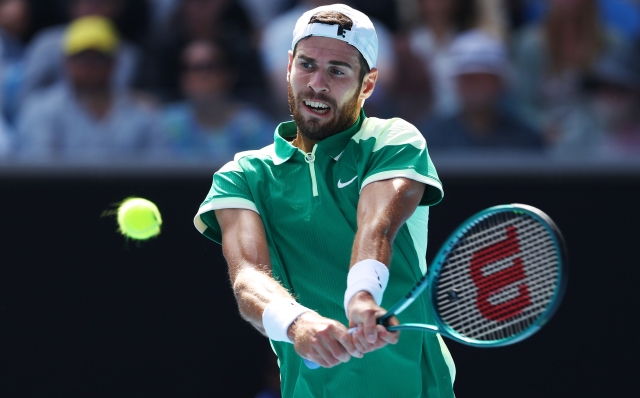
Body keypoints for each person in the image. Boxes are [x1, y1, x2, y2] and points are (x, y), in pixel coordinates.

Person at [193, 4, 455, 397]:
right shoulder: (244, 176)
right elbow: (248, 278)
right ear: (288, 66)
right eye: (307, 64)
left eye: (337, 71)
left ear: (367, 85)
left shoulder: (394, 141)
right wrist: (297, 323)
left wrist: (362, 297)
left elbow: (377, 225)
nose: (317, 83)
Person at [17, 16, 166, 161]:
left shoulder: (143, 112)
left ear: (114, 63)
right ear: (66, 62)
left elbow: (161, 169)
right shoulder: (41, 109)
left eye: (99, 57)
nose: (89, 65)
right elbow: (40, 171)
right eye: (81, 56)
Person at [420, 30, 543, 151]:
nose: (475, 88)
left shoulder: (526, 140)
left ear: (500, 83)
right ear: (457, 84)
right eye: (469, 79)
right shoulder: (431, 139)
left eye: (483, 79)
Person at [161, 40, 273, 163]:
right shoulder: (167, 124)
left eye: (210, 67)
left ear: (228, 74)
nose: (201, 76)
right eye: (191, 68)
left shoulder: (253, 126)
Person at [19, 0, 143, 103]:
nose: (93, 7)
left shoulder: (127, 53)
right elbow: (27, 97)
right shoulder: (46, 43)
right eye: (87, 2)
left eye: (101, 3)